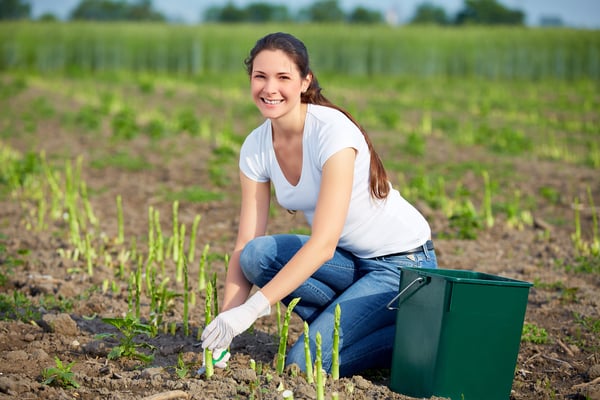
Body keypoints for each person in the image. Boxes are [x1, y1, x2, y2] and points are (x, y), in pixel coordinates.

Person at [201, 32, 438, 377]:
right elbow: (243, 246)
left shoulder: (332, 133)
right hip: (351, 262)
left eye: (283, 77)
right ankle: (352, 325)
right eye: (260, 76)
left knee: (301, 366)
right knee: (257, 255)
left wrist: (252, 310)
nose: (270, 88)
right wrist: (224, 333)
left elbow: (323, 244)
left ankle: (409, 335)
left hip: (401, 266)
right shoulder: (255, 147)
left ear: (304, 81)